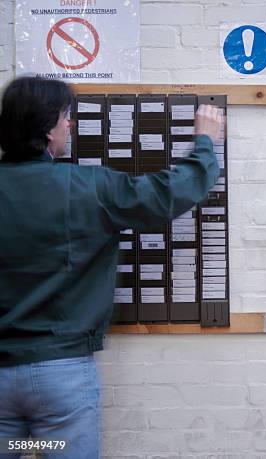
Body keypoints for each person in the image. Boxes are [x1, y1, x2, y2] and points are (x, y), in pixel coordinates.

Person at [0, 76, 223, 458]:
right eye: (66, 116)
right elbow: (166, 194)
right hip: (60, 378)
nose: (69, 124)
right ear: (48, 128)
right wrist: (204, 144)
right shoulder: (87, 187)